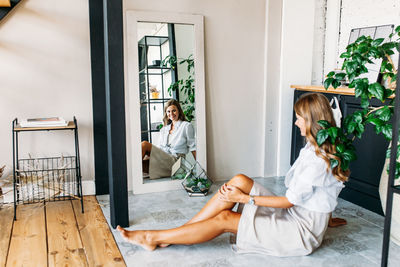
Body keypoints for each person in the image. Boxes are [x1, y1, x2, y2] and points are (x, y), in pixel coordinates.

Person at [118, 93, 348, 256]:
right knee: (239, 180)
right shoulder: (314, 146)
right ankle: (177, 234)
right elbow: (324, 192)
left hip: (298, 231)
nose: (295, 121)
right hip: (299, 214)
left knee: (224, 219)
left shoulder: (318, 160)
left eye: (299, 117)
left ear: (311, 121)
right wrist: (325, 215)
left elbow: (288, 202)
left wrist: (244, 199)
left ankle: (155, 237)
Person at [141, 99, 196, 179]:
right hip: (163, 161)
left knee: (144, 144)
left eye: (174, 111)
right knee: (140, 164)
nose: (171, 114)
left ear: (179, 111)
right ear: (166, 114)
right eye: (168, 111)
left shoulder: (186, 126)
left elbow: (193, 147)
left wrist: (200, 167)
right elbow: (158, 148)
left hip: (177, 162)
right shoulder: (164, 130)